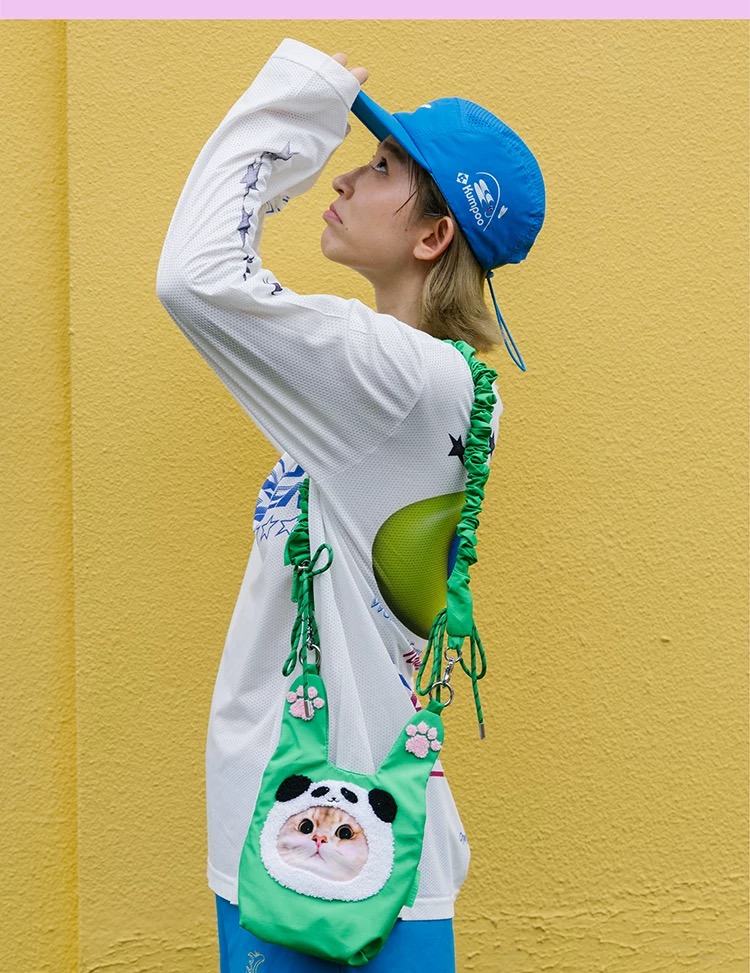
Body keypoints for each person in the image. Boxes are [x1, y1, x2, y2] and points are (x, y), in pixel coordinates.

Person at [156, 37, 545, 973]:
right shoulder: (411, 384)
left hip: (321, 854)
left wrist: (300, 103)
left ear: (432, 236)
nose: (343, 177)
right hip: (322, 830)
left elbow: (195, 276)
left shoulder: (397, 379)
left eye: (379, 168)